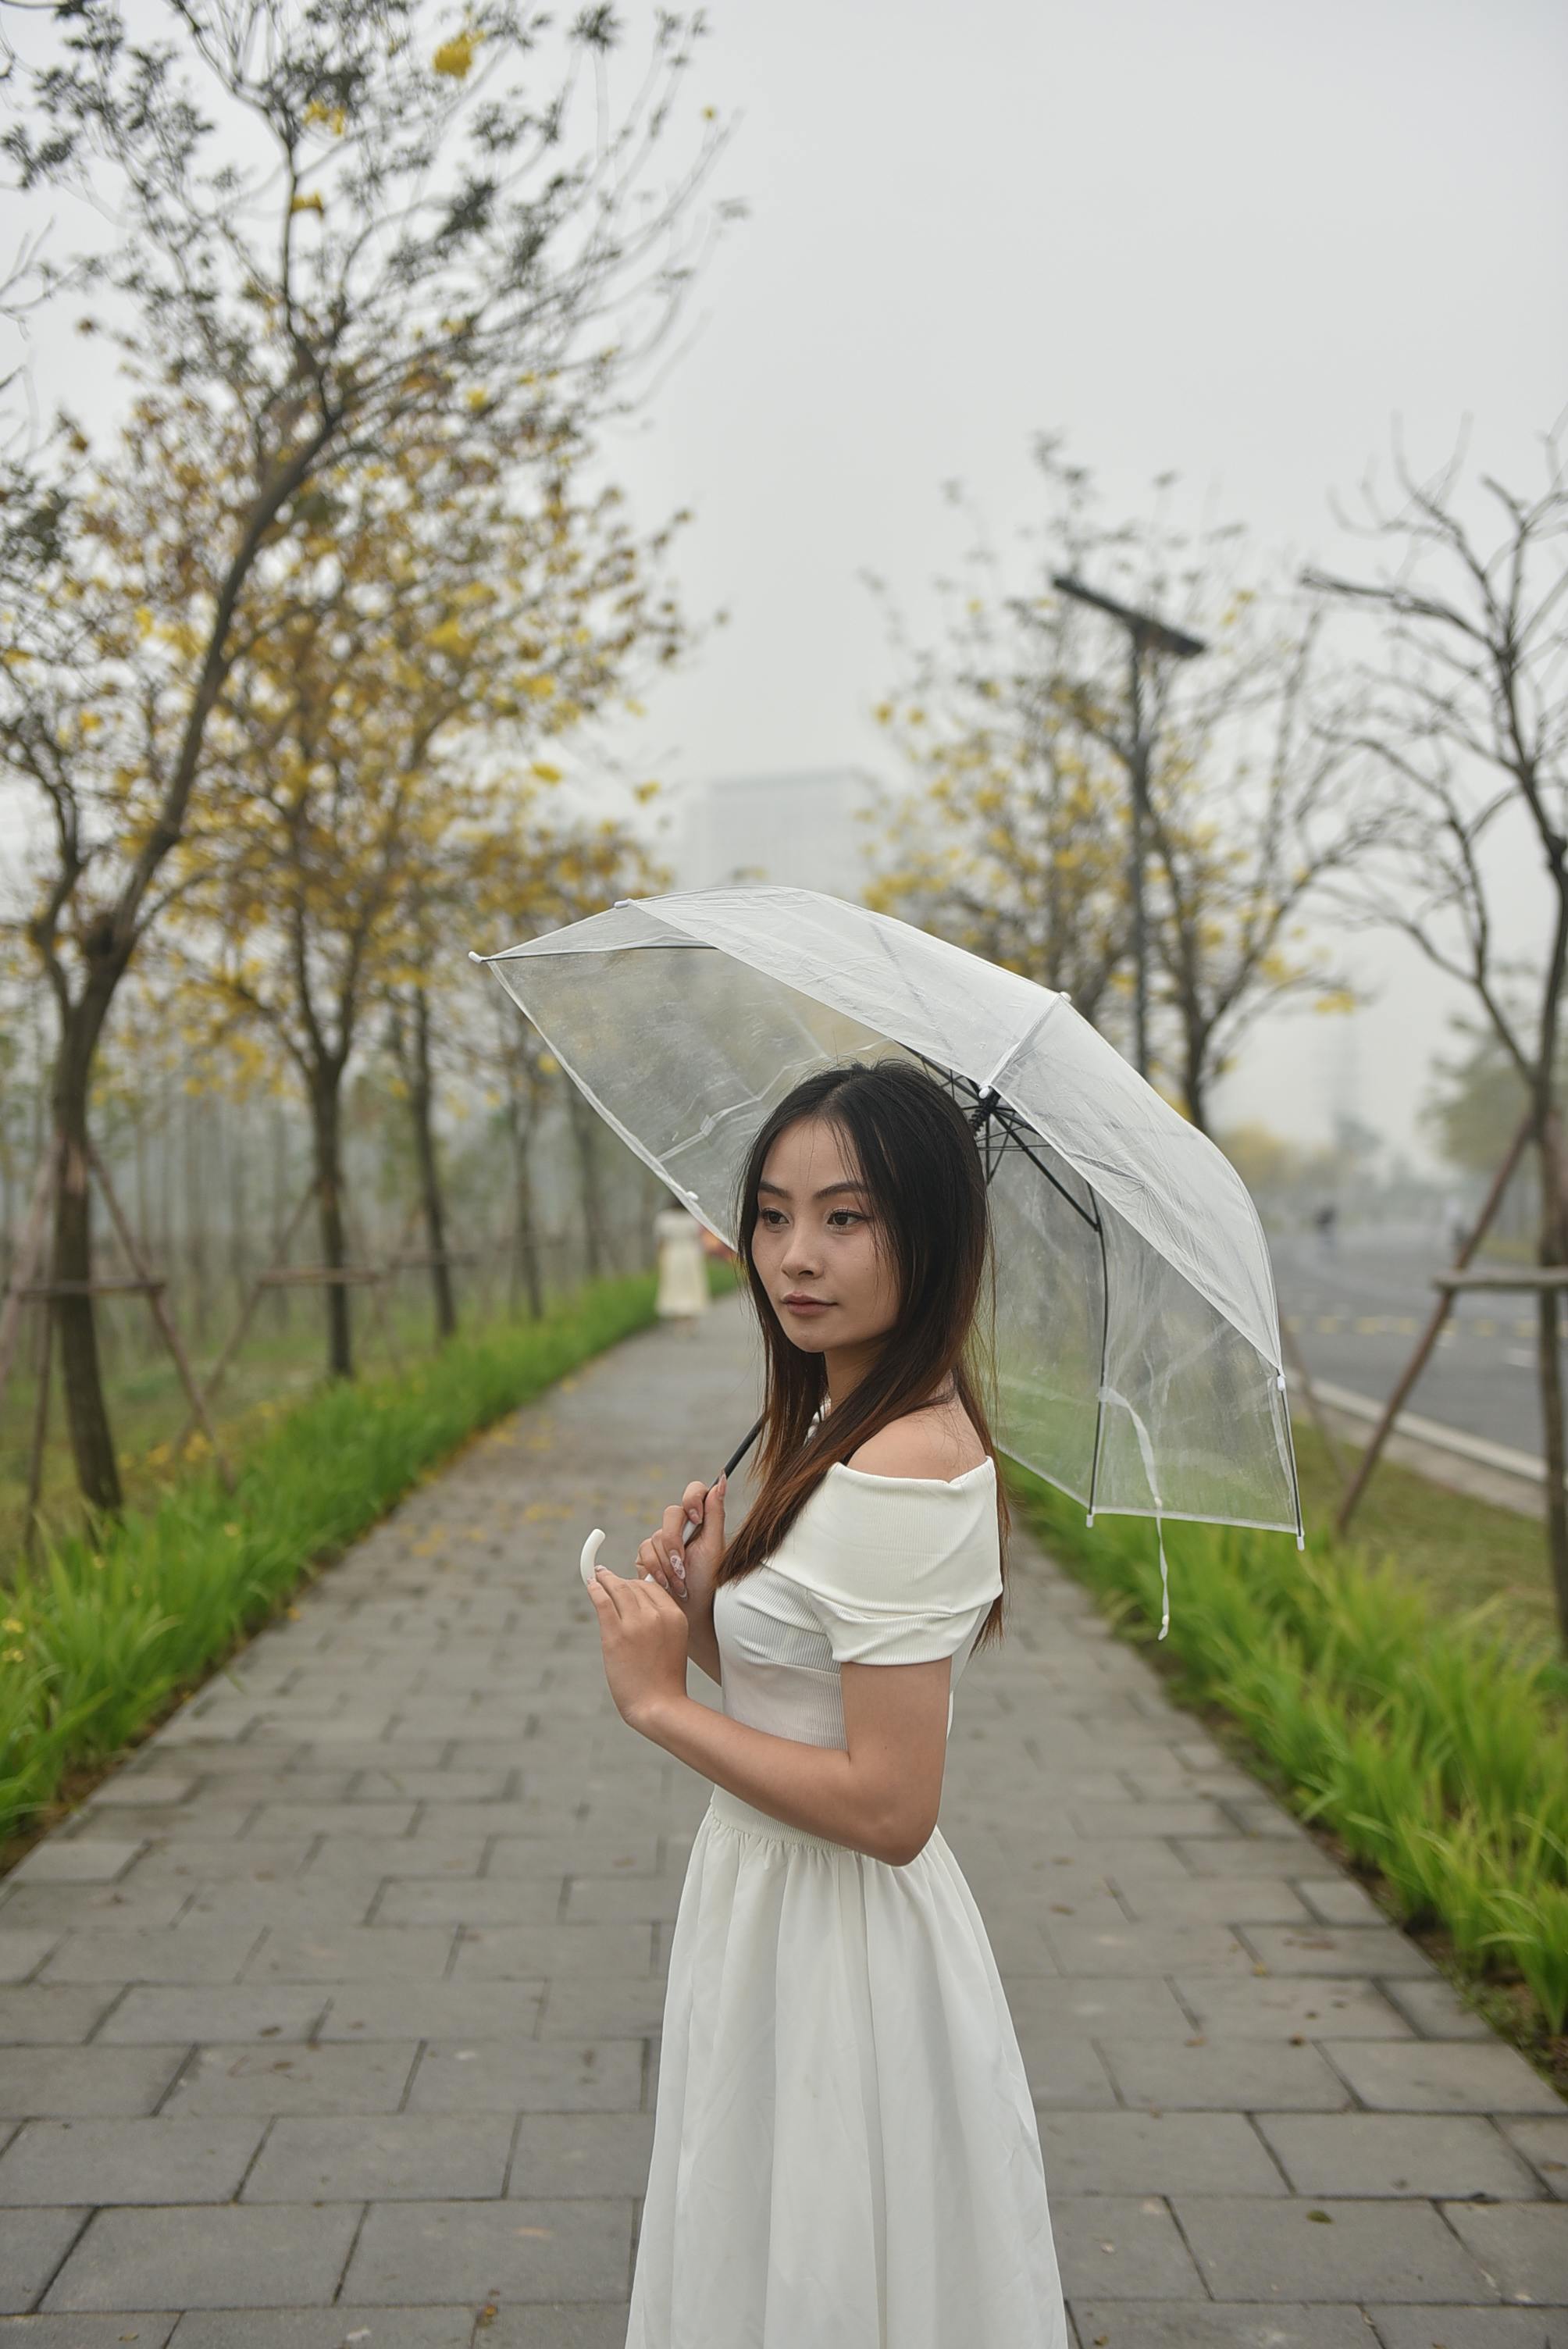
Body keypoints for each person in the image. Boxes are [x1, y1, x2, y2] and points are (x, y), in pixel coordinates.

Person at [586, 1060, 1067, 2349]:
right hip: (775, 1907)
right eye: (773, 1212)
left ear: (930, 1231)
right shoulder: (852, 1423)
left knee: (816, 2270)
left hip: (836, 1933)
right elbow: (797, 1690)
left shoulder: (900, 1462)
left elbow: (889, 1803)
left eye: (846, 1217)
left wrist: (656, 1704)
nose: (796, 1254)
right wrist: (701, 1606)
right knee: (770, 2250)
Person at [653, 1195, 710, 1328]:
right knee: (691, 1285)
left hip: (672, 1254)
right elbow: (698, 1239)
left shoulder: (664, 1219)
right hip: (690, 1254)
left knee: (675, 1286)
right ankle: (690, 1321)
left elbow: (660, 1241)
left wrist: (660, 1258)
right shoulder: (692, 1218)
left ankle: (678, 1321)